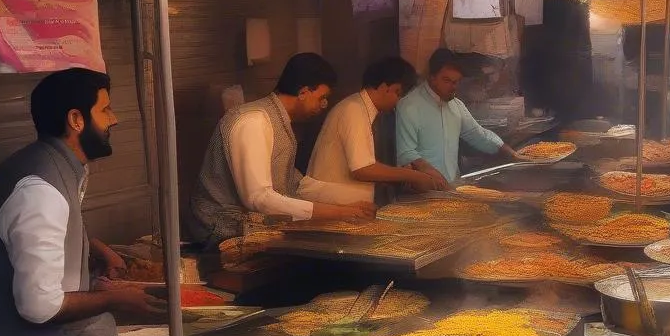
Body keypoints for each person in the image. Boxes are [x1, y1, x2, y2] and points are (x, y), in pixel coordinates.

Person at [0, 69, 166, 336]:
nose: (114, 119)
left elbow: (34, 233)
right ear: (76, 119)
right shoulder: (41, 187)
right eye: (106, 109)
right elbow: (38, 307)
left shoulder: (51, 166)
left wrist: (94, 247)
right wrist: (113, 298)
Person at [189, 54, 373, 245]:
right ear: (303, 92)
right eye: (322, 97)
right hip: (220, 231)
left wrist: (358, 199)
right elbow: (259, 199)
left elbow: (296, 184)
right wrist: (340, 212)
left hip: (249, 228)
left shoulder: (278, 120)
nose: (324, 105)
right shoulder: (253, 121)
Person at [307, 56, 445, 203]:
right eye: (398, 95)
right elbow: (363, 170)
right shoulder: (354, 109)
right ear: (388, 88)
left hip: (346, 203)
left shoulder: (364, 109)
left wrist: (409, 174)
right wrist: (415, 176)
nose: (397, 102)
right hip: (330, 203)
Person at [396, 48, 518, 184]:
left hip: (453, 188)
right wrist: (431, 176)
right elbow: (406, 154)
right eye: (447, 81)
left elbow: (478, 135)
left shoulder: (456, 105)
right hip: (423, 192)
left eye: (456, 81)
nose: (453, 87)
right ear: (432, 78)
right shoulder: (409, 106)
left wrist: (512, 154)